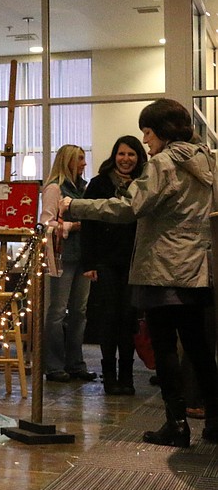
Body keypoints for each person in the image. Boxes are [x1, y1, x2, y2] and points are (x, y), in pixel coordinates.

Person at [63, 98, 218, 447]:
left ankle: (176, 424)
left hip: (163, 268)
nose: (145, 141)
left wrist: (75, 206)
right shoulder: (206, 159)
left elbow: (129, 207)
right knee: (198, 347)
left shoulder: (163, 164)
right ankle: (215, 421)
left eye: (147, 133)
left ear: (161, 131)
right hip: (198, 267)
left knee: (164, 347)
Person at [80, 136, 147, 395]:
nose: (126, 159)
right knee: (109, 318)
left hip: (134, 261)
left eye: (132, 154)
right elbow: (89, 224)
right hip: (105, 261)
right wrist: (89, 262)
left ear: (139, 158)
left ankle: (127, 377)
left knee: (128, 318)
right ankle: (109, 377)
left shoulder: (144, 185)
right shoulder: (98, 184)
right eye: (122, 153)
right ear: (114, 155)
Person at [40, 144, 95, 383]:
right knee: (58, 311)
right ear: (69, 161)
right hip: (62, 256)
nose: (84, 163)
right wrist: (74, 226)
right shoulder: (54, 189)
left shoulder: (85, 188)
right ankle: (53, 365)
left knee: (79, 312)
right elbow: (46, 224)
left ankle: (75, 362)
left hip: (83, 256)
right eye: (80, 159)